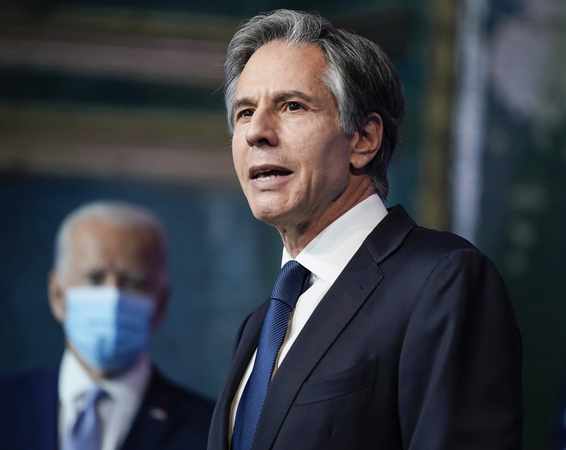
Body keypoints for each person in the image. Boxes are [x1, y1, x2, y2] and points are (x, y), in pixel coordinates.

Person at [208, 9, 523, 450]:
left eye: (292, 106)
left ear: (363, 140)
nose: (257, 131)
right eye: (244, 112)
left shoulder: (441, 280)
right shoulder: (260, 324)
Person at [0, 201, 214, 450]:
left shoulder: (209, 431)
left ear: (160, 305)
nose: (113, 297)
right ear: (57, 294)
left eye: (134, 283)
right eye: (94, 278)